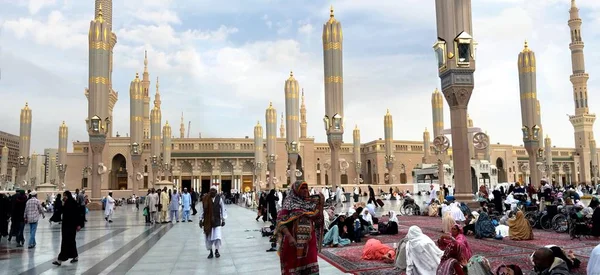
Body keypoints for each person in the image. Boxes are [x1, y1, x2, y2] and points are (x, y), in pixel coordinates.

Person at [275, 180, 324, 275]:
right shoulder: (289, 201)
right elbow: (280, 221)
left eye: (306, 188)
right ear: (296, 190)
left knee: (311, 267)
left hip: (309, 244)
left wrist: (321, 205)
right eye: (302, 188)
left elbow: (318, 221)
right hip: (293, 243)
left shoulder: (311, 203)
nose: (305, 190)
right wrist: (289, 237)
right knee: (293, 267)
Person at [52, 191, 83, 266]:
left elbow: (77, 214)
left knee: (68, 241)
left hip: (71, 226)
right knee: (69, 241)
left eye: (65, 195)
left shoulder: (73, 203)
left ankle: (60, 259)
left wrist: (79, 224)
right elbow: (61, 211)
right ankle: (75, 256)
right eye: (63, 196)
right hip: (66, 226)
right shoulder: (66, 203)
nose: (64, 197)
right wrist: (62, 204)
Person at [200, 186, 227, 259]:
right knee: (208, 237)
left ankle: (217, 251)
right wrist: (200, 219)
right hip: (207, 221)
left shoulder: (219, 199)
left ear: (216, 192)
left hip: (217, 221)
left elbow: (223, 209)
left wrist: (223, 220)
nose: (212, 192)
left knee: (217, 237)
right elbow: (202, 210)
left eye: (214, 191)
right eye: (211, 190)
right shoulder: (206, 199)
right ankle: (211, 252)